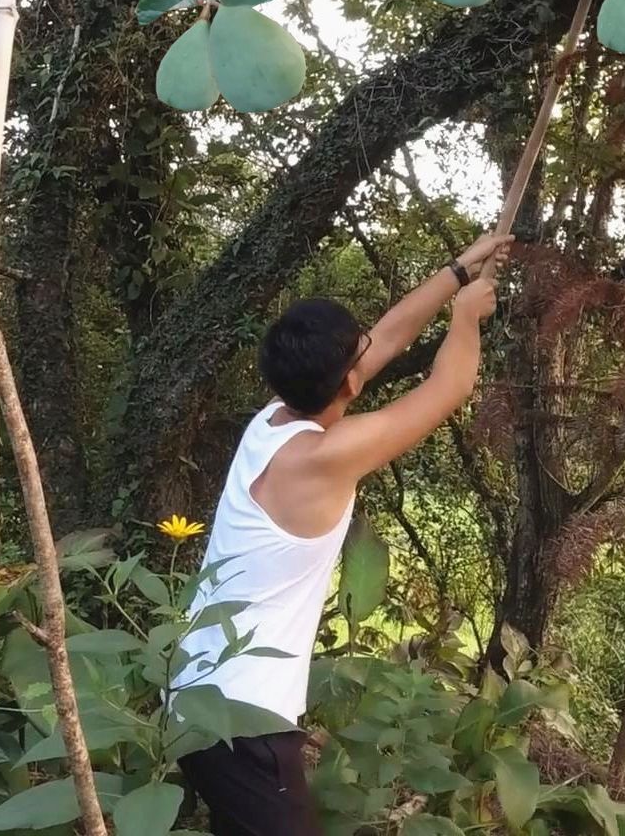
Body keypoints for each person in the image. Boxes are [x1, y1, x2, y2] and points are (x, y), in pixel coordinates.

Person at [169, 233, 514, 835]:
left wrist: (460, 269)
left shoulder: (272, 419)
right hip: (243, 720)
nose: (371, 352)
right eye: (361, 356)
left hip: (200, 695)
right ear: (349, 383)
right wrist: (466, 317)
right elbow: (449, 388)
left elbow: (391, 333)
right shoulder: (321, 458)